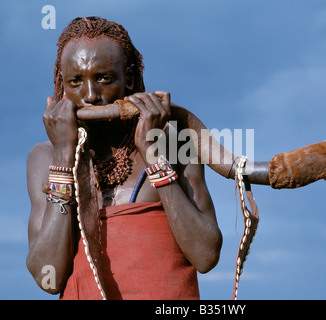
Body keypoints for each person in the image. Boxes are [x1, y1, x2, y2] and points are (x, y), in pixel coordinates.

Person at [26, 16, 222, 300]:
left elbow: (206, 256)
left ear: (128, 78)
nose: (91, 96)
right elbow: (49, 278)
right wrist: (63, 155)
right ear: (61, 84)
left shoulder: (176, 141)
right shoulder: (44, 157)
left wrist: (153, 155)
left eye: (104, 78)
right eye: (76, 81)